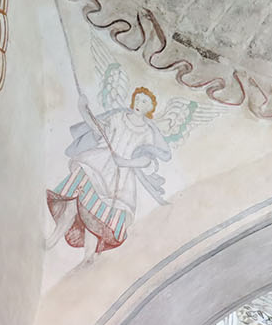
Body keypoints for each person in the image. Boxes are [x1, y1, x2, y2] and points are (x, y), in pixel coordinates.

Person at [45, 88, 176, 259]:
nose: (139, 103)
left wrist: (126, 163)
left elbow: (146, 159)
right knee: (72, 201)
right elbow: (98, 130)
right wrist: (83, 109)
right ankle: (54, 238)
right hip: (99, 164)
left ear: (150, 108)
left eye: (144, 101)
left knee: (96, 216)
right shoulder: (119, 118)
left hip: (120, 177)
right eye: (137, 98)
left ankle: (88, 257)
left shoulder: (147, 133)